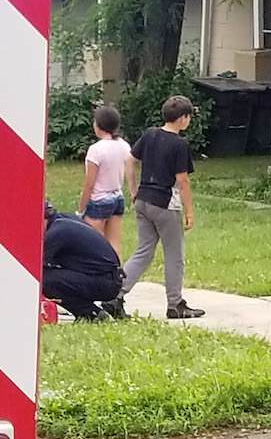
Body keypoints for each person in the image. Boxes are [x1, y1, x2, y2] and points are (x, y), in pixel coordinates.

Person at [114, 95, 205, 319]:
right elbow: (182, 180)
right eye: (189, 117)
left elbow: (129, 160)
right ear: (183, 119)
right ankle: (175, 304)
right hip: (166, 203)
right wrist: (190, 212)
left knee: (143, 251)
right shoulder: (179, 144)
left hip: (144, 199)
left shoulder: (150, 134)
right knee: (174, 255)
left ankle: (114, 294)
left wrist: (134, 189)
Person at [43, 202, 126, 321]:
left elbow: (36, 269)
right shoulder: (64, 220)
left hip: (105, 281)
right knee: (50, 277)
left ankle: (91, 313)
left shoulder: (56, 233)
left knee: (46, 280)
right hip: (108, 277)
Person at [79, 104, 132, 259]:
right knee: (114, 243)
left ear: (99, 126)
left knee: (92, 245)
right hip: (117, 197)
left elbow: (90, 184)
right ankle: (116, 276)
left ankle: (95, 279)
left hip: (98, 201)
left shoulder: (96, 149)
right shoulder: (124, 146)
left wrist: (82, 208)